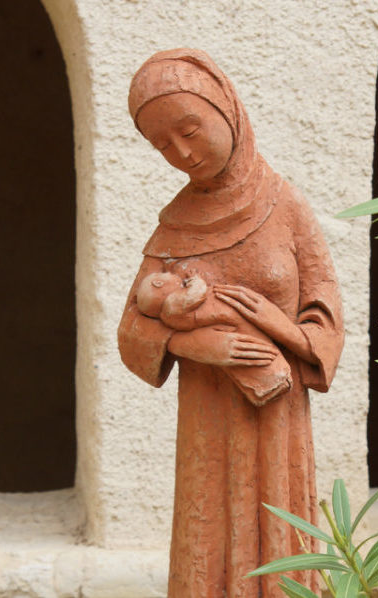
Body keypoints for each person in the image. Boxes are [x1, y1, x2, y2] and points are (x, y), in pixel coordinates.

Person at [117, 48, 344, 598]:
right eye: (162, 145)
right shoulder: (175, 224)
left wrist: (277, 325)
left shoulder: (285, 206)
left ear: (227, 108)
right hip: (209, 419)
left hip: (278, 418)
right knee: (208, 537)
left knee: (280, 538)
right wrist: (197, 346)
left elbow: (327, 321)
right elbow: (131, 329)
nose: (182, 152)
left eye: (190, 129)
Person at [134, 270, 293, 405]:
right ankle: (270, 381)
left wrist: (285, 329)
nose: (168, 271)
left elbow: (316, 324)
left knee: (255, 351)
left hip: (239, 329)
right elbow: (134, 326)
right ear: (158, 284)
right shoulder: (172, 303)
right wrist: (189, 344)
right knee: (253, 352)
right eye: (163, 274)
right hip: (207, 390)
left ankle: (267, 383)